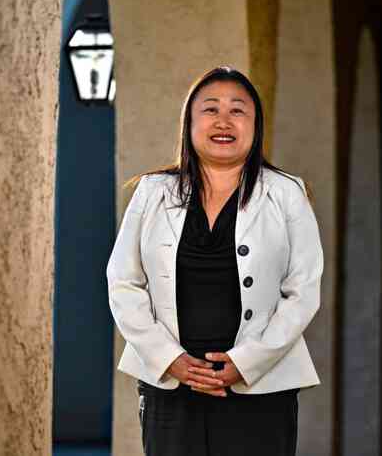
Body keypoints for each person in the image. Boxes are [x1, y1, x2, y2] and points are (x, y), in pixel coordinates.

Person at [106, 66, 324, 456]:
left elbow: (303, 291)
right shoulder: (152, 193)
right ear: (189, 123)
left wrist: (246, 363)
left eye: (238, 110)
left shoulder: (287, 193)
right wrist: (169, 359)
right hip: (172, 388)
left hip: (260, 388)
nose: (224, 120)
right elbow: (123, 281)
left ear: (255, 126)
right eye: (210, 109)